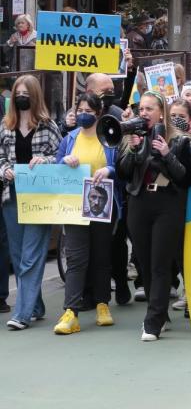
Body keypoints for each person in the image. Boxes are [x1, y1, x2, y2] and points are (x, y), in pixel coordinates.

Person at [116, 91, 191, 341]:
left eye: (150, 109)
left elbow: (186, 178)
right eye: (142, 109)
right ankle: (158, 311)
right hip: (139, 203)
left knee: (160, 263)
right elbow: (124, 174)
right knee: (145, 263)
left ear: (162, 112)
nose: (145, 113)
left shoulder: (179, 140)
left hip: (166, 204)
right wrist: (133, 151)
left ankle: (153, 321)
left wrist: (166, 154)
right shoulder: (132, 138)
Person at [52, 93, 123, 335]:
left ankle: (103, 304)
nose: (84, 114)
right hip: (74, 206)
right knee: (76, 258)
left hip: (102, 205)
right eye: (80, 109)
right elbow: (57, 165)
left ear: (99, 113)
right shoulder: (69, 139)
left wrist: (109, 169)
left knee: (102, 256)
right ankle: (71, 310)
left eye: (89, 111)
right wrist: (63, 162)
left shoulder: (110, 138)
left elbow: (121, 166)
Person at [0, 75, 62, 329]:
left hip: (39, 197)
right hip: (11, 195)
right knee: (17, 253)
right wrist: (4, 170)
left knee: (31, 255)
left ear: (34, 96)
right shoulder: (5, 125)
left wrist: (44, 161)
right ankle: (35, 305)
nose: (21, 97)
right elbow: (1, 157)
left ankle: (22, 314)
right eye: (17, 93)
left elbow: (60, 157)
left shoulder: (48, 126)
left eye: (26, 93)